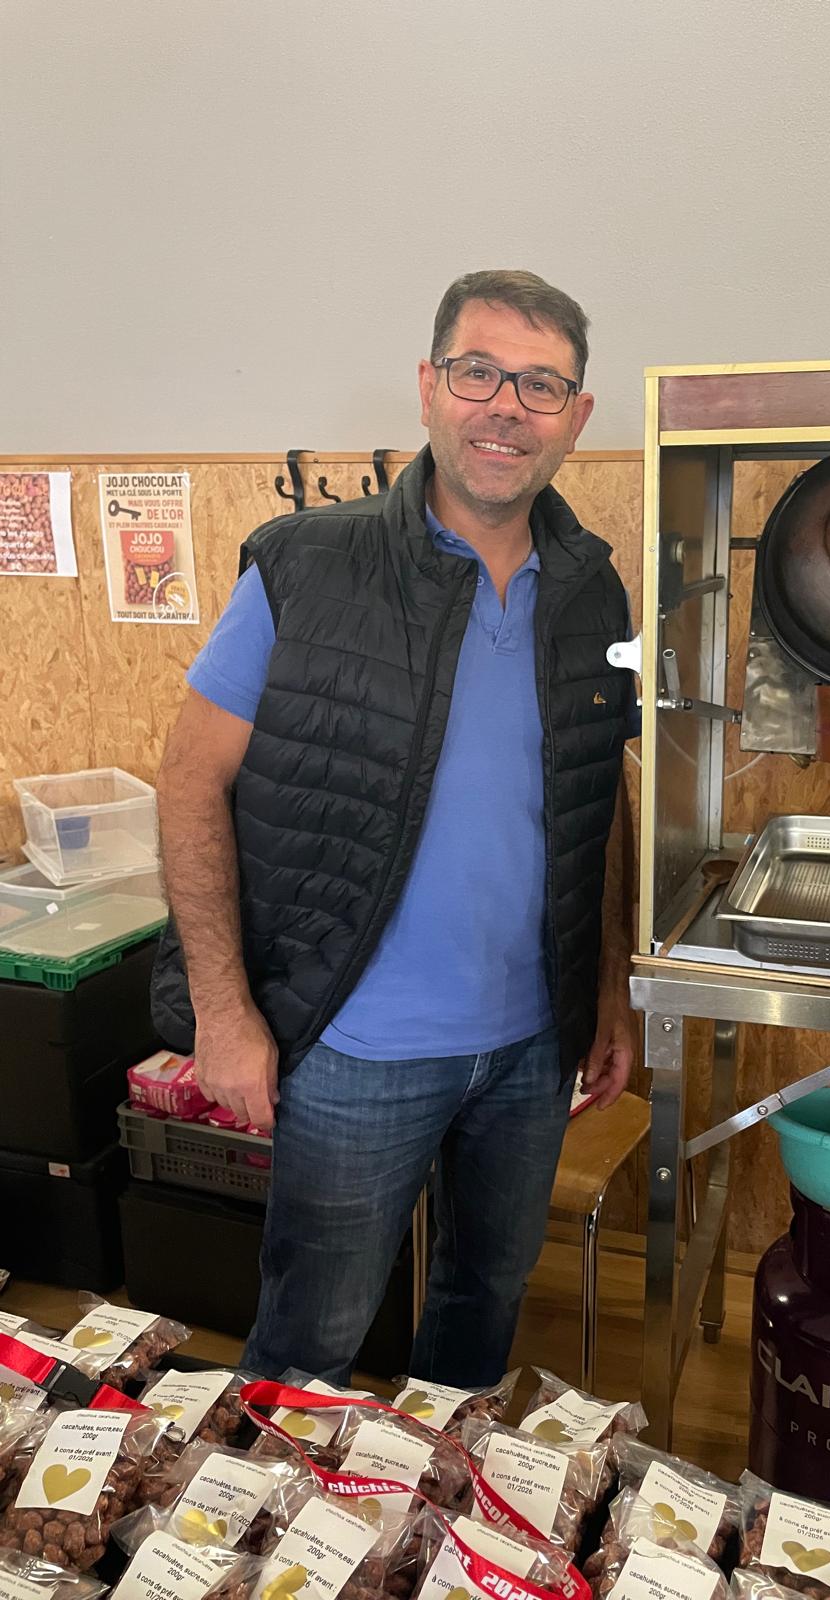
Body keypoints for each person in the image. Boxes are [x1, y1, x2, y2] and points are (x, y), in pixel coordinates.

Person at [151, 269, 637, 1387]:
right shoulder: (305, 566)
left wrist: (607, 985)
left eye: (541, 385)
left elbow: (597, 799)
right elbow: (188, 786)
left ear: (576, 417)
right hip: (353, 1050)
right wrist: (223, 1013)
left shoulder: (591, 590)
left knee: (483, 1303)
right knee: (310, 1341)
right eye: (478, 372)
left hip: (531, 1047)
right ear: (428, 386)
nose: (505, 406)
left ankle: (429, 1496)